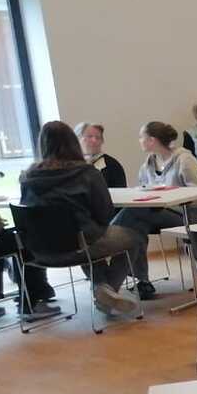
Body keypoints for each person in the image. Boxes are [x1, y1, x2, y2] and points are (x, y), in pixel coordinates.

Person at [17, 121, 144, 319]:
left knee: (87, 237)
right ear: (74, 143)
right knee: (132, 238)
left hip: (38, 252)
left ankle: (102, 288)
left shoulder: (27, 177)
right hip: (78, 246)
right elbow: (105, 213)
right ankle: (107, 290)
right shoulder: (87, 173)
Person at [111, 121, 197, 299]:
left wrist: (172, 198)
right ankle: (143, 281)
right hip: (153, 214)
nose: (139, 140)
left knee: (134, 212)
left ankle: (109, 237)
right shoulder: (148, 164)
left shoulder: (185, 160)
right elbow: (143, 188)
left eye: (142, 137)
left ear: (152, 140)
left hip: (184, 214)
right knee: (136, 226)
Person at [76, 122, 125, 188]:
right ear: (77, 139)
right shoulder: (70, 164)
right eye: (90, 136)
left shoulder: (112, 165)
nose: (94, 140)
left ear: (102, 141)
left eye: (98, 137)